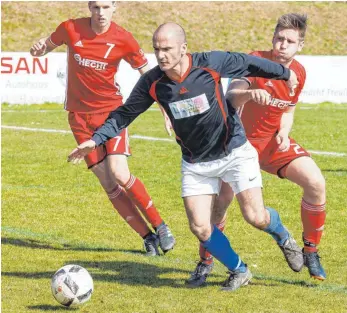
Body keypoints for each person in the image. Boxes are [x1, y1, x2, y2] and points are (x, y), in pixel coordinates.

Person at [68, 22, 303, 291]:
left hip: (234, 151)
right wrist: (95, 139)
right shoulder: (153, 82)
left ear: (183, 48)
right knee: (200, 227)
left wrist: (284, 73)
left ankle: (283, 237)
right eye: (157, 49)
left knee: (255, 217)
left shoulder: (209, 63)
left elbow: (248, 63)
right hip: (196, 162)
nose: (161, 55)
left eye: (167, 49)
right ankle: (239, 269)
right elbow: (124, 114)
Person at [188, 13, 326, 287]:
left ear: (300, 46)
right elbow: (231, 95)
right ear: (272, 39)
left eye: (289, 41)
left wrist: (285, 132)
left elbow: (289, 108)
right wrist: (250, 94)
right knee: (218, 209)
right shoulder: (254, 61)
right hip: (237, 146)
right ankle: (205, 262)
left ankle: (310, 250)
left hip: (272, 144)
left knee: (316, 183)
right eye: (279, 38)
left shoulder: (298, 71)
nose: (282, 44)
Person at [29, 1, 175, 256]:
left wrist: (165, 109)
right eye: (96, 7)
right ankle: (147, 237)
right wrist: (38, 49)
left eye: (106, 7)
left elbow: (147, 74)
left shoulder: (123, 38)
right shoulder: (70, 28)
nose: (101, 13)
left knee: (119, 172)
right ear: (89, 7)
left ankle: (161, 225)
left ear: (114, 7)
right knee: (108, 183)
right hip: (79, 119)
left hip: (111, 116)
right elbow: (46, 45)